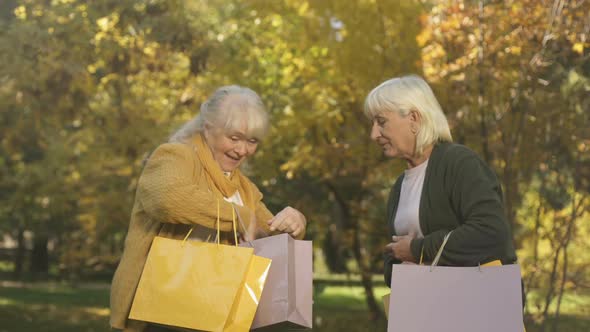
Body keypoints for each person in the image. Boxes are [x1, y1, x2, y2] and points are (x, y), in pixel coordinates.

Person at [109, 85, 307, 332]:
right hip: (163, 315)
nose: (242, 150)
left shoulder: (244, 188)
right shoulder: (174, 156)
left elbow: (268, 237)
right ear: (208, 127)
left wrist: (295, 225)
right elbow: (168, 199)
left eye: (252, 141)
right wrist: (239, 215)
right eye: (234, 138)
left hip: (218, 315)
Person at [363, 75, 517, 287]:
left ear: (414, 119)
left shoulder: (460, 163)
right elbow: (395, 255)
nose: (374, 134)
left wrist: (418, 250)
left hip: (476, 310)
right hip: (427, 310)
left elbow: (490, 231)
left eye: (381, 122)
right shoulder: (400, 185)